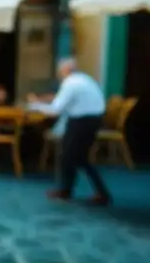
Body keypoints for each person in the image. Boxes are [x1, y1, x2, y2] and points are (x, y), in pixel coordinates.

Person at [28, 57, 111, 206]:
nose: (59, 75)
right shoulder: (85, 79)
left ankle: (66, 191)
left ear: (65, 70)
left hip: (80, 121)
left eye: (59, 71)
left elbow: (55, 110)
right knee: (79, 158)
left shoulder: (70, 83)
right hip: (94, 120)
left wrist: (35, 105)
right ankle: (89, 192)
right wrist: (44, 100)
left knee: (68, 156)